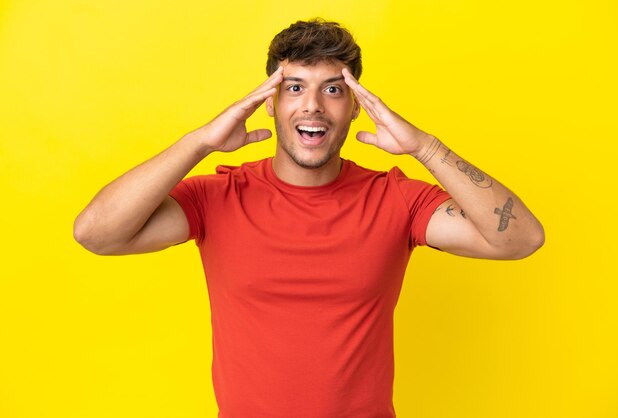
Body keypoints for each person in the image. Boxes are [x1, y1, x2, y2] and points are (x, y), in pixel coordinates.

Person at [74, 18, 544, 418]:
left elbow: (520, 239)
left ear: (356, 106)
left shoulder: (397, 199)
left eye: (333, 90)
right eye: (294, 88)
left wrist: (425, 147)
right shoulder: (219, 196)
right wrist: (198, 142)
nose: (312, 105)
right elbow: (96, 233)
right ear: (272, 103)